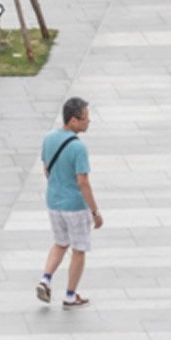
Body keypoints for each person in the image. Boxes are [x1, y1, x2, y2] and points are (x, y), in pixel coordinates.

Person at [36, 96, 101, 309]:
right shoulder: (78, 148)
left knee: (60, 242)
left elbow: (46, 168)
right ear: (73, 121)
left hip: (54, 202)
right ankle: (70, 295)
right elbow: (83, 182)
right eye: (85, 118)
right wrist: (95, 211)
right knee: (78, 249)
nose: (88, 122)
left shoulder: (49, 137)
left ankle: (46, 278)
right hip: (75, 206)